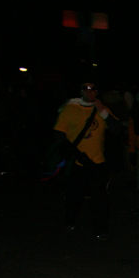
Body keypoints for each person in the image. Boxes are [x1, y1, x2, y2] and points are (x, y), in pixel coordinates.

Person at [54, 82, 119, 240]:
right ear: (81, 92)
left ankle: (101, 229)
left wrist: (104, 112)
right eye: (86, 89)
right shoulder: (71, 109)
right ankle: (70, 221)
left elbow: (116, 129)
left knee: (100, 199)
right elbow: (58, 134)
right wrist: (71, 151)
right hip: (77, 163)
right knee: (73, 196)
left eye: (93, 90)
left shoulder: (101, 109)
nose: (89, 92)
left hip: (97, 162)